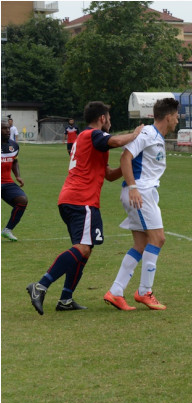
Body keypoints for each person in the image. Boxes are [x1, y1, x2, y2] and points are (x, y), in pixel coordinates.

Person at [26, 101, 144, 315]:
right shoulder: (94, 135)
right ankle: (41, 285)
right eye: (108, 117)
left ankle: (66, 299)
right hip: (82, 201)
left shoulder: (88, 139)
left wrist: (129, 166)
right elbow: (116, 140)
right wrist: (135, 134)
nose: (110, 121)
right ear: (102, 118)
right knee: (82, 248)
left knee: (84, 251)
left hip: (73, 199)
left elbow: (107, 174)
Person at [104, 98, 179, 311]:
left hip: (140, 192)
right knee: (158, 238)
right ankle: (144, 291)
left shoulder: (155, 136)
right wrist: (134, 187)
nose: (177, 119)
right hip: (140, 193)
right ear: (168, 117)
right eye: (176, 115)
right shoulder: (147, 134)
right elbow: (125, 157)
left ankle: (116, 292)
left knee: (141, 244)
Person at [1, 118, 27, 242]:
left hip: (7, 182)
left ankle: (7, 230)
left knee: (22, 200)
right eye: (3, 128)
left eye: (7, 128)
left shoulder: (14, 145)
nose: (7, 130)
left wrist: (17, 176)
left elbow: (14, 161)